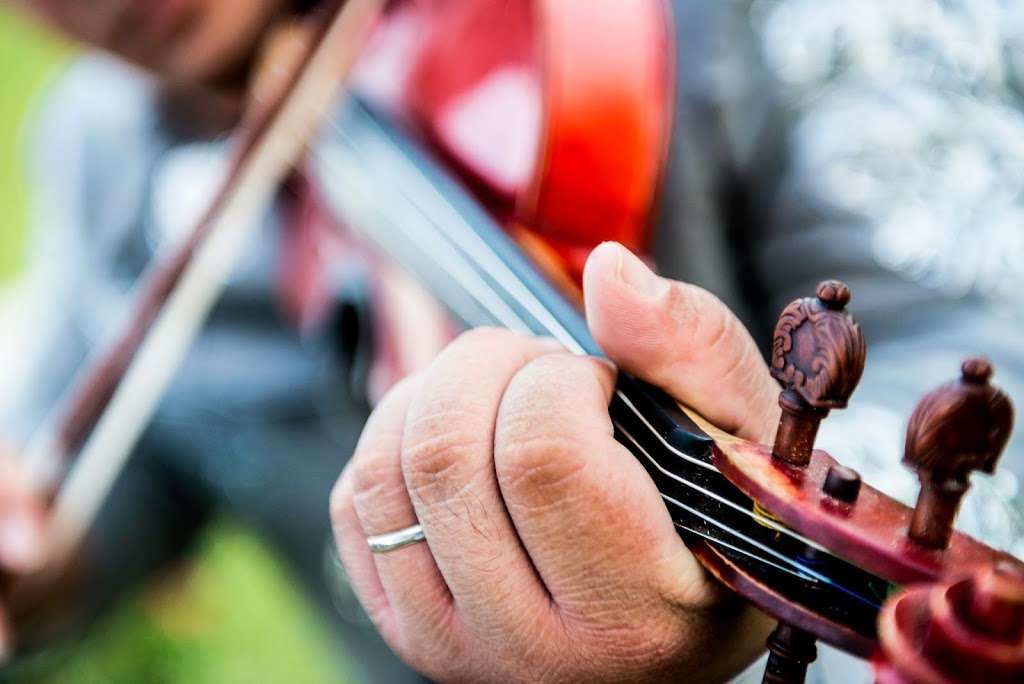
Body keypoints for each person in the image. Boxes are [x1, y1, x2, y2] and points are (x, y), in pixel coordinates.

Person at [2, 0, 1022, 682]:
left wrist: (741, 598)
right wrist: (52, 563)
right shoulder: (108, 139)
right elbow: (114, 445)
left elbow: (987, 365)